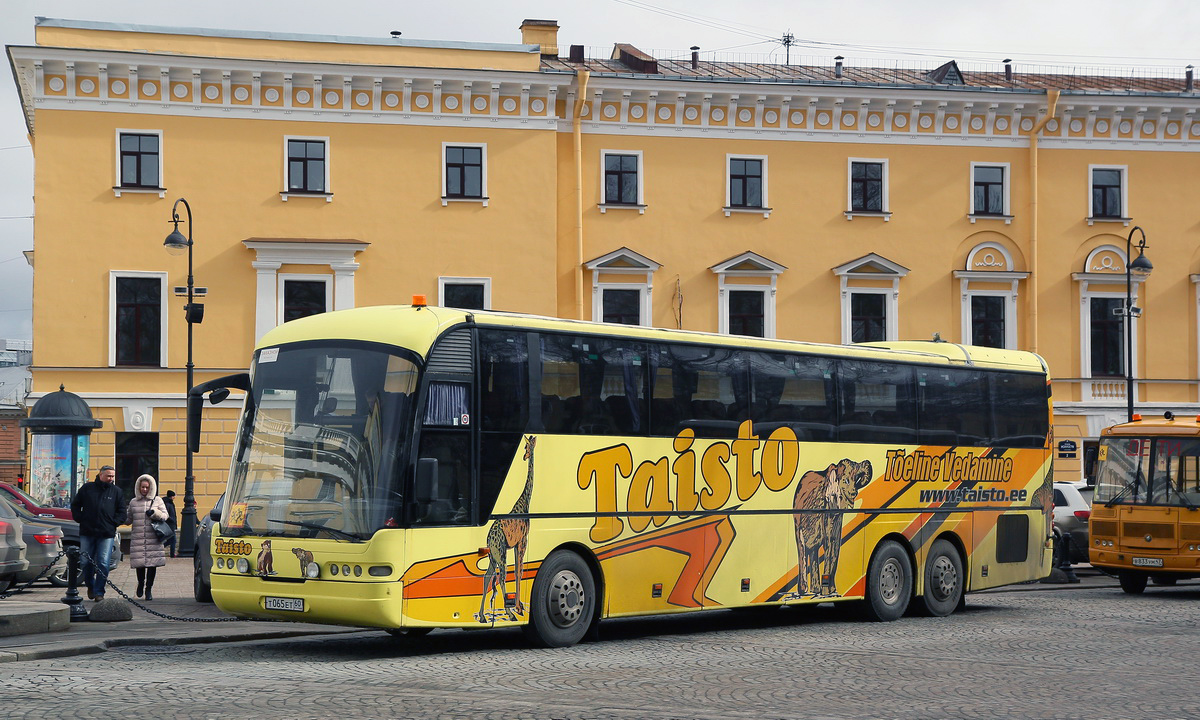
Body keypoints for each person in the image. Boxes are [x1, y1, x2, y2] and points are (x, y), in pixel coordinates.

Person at [70, 465, 125, 601]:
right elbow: (76, 505)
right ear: (100, 475)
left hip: (106, 533)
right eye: (108, 476)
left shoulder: (116, 492)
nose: (111, 478)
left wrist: (114, 522)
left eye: (113, 476)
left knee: (103, 563)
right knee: (85, 562)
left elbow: (122, 511)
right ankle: (91, 585)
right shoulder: (87, 489)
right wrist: (80, 518)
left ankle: (99, 592)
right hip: (87, 532)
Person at [127, 474, 169, 600]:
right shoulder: (133, 502)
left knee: (152, 565)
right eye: (142, 487)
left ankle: (149, 589)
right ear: (138, 487)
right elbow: (128, 518)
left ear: (151, 487)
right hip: (138, 537)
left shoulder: (157, 500)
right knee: (140, 565)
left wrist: (155, 513)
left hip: (153, 538)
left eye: (147, 487)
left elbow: (165, 515)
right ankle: (140, 584)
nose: (144, 490)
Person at [162, 490, 178, 558]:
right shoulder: (168, 504)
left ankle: (159, 547)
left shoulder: (168, 503)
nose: (174, 497)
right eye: (174, 496)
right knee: (173, 540)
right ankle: (172, 554)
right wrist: (172, 520)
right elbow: (167, 515)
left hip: (170, 524)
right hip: (170, 524)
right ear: (171, 496)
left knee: (169, 541)